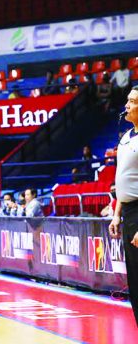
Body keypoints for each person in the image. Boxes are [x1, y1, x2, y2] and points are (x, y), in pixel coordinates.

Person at [109, 85, 138, 326]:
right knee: (135, 281)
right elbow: (122, 178)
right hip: (128, 212)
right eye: (127, 100)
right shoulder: (127, 136)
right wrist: (117, 214)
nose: (126, 105)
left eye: (132, 101)